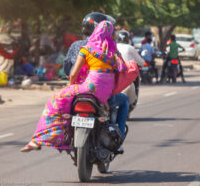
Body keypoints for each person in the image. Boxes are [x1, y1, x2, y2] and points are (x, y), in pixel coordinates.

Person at [21, 21, 126, 152]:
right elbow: (121, 68)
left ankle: (39, 140)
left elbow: (73, 74)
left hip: (89, 88)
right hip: (105, 93)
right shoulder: (113, 51)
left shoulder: (87, 49)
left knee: (54, 101)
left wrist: (70, 87)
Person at [63, 12, 116, 76]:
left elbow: (67, 68)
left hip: (77, 80)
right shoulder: (107, 46)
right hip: (99, 82)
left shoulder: (76, 45)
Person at [117, 30, 145, 104]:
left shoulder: (113, 46)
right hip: (127, 74)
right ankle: (132, 101)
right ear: (127, 39)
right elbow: (141, 62)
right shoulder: (130, 48)